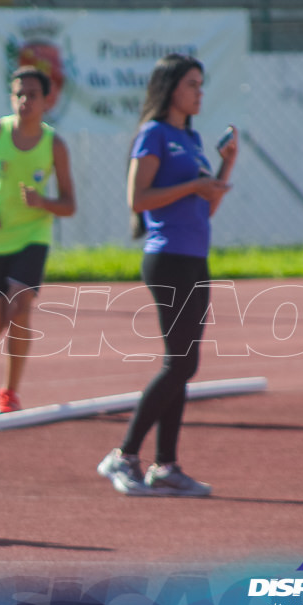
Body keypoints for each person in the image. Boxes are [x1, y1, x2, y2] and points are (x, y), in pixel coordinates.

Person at [97, 53, 238, 497]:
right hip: (168, 258)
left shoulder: (191, 138)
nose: (199, 91)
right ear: (171, 88)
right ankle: (123, 456)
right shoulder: (154, 134)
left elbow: (207, 204)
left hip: (196, 257)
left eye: (201, 84)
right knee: (181, 362)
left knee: (183, 364)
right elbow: (138, 199)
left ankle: (166, 465)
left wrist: (225, 166)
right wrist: (195, 185)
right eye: (192, 83)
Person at [0, 66, 76, 414]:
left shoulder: (54, 143)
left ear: (47, 101)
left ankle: (9, 393)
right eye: (19, 94)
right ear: (12, 98)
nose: (25, 100)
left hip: (33, 236)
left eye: (32, 95)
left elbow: (69, 204)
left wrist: (43, 203)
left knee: (21, 307)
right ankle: (10, 366)